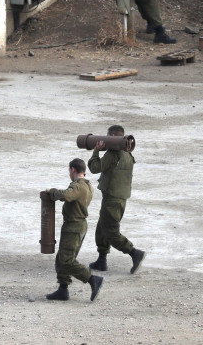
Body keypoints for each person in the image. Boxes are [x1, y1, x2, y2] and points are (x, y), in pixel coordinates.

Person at [87, 125, 146, 274]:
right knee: (102, 228)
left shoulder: (113, 154)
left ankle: (134, 252)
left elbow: (95, 168)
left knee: (111, 232)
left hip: (112, 199)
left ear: (112, 137)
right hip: (120, 198)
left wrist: (96, 152)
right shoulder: (128, 154)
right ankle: (101, 260)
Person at [43, 158, 104, 302]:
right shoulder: (88, 186)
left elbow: (66, 195)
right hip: (77, 225)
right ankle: (63, 289)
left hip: (73, 227)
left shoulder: (78, 186)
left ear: (73, 170)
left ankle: (92, 279)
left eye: (69, 171)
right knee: (61, 258)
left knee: (67, 260)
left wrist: (51, 192)